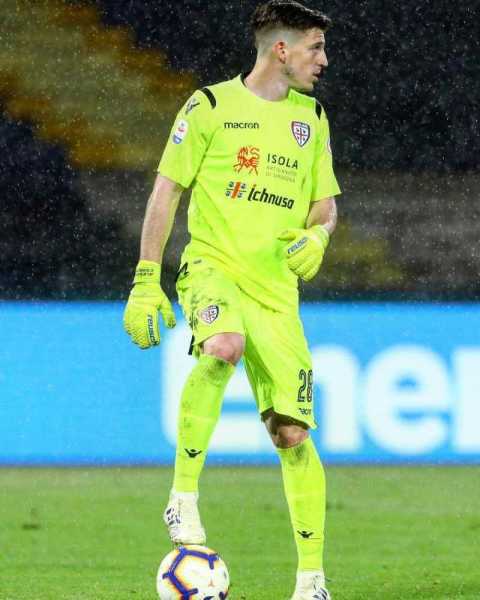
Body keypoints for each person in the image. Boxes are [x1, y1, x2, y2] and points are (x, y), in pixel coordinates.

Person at [123, 1, 340, 598]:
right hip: (213, 268)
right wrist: (146, 277)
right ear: (281, 49)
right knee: (222, 344)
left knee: (292, 434)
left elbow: (324, 205)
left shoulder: (312, 118)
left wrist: (320, 235)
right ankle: (183, 498)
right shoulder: (210, 107)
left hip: (277, 293)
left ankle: (312, 581)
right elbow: (166, 192)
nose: (323, 60)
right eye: (315, 47)